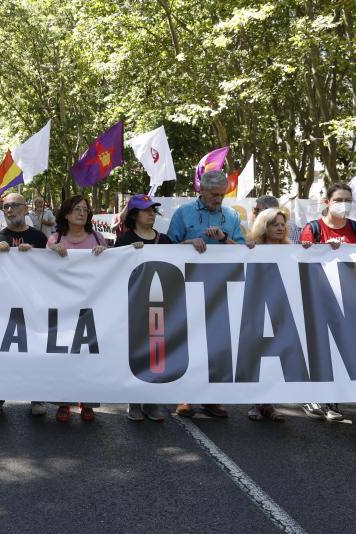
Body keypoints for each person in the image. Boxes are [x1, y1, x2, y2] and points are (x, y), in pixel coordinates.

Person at [168, 170, 245, 419]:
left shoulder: (231, 216)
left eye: (222, 195)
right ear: (201, 191)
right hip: (187, 287)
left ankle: (212, 398)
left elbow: (243, 250)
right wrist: (188, 244)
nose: (219, 199)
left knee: (218, 343)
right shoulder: (183, 213)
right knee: (189, 342)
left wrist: (224, 239)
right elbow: (167, 249)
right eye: (214, 195)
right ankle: (185, 396)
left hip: (222, 288)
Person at [298, 182, 356, 421]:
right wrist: (318, 248)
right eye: (339, 199)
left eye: (348, 200)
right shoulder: (313, 228)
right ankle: (314, 397)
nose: (344, 204)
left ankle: (332, 401)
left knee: (341, 349)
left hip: (350, 300)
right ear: (327, 202)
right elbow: (303, 255)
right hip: (319, 297)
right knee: (320, 348)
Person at [0, 193, 48, 418]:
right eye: (5, 207)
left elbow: (49, 268)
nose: (9, 210)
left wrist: (35, 253)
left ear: (25, 209)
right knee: (2, 352)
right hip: (4, 304)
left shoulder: (39, 237)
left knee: (33, 350)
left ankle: (36, 397)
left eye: (14, 206)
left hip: (33, 303)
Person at [47, 195, 106, 423]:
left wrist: (105, 253)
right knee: (65, 356)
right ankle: (64, 402)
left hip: (91, 304)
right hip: (64, 306)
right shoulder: (55, 238)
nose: (82, 213)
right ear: (67, 214)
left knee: (89, 355)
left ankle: (88, 402)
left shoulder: (97, 237)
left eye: (85, 209)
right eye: (77, 209)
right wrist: (52, 251)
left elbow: (110, 266)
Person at [112, 194, 170, 422]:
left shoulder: (165, 240)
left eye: (153, 210)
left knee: (157, 353)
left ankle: (152, 400)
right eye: (146, 210)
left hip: (160, 305)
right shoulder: (124, 240)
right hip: (133, 305)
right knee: (136, 352)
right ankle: (134, 400)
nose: (151, 214)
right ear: (134, 215)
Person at [244, 207, 292, 422]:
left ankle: (270, 403)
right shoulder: (252, 249)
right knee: (257, 355)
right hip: (256, 308)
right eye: (275, 224)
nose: (280, 228)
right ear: (264, 226)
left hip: (281, 309)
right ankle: (255, 402)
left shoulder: (293, 249)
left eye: (282, 224)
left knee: (275, 356)